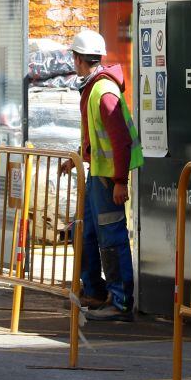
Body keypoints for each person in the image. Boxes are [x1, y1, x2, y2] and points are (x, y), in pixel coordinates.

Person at [60, 30, 143, 321]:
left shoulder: (103, 91)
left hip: (108, 180)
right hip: (98, 175)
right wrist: (77, 158)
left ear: (79, 58)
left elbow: (120, 140)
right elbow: (97, 137)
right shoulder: (94, 88)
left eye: (74, 57)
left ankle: (121, 302)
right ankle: (95, 291)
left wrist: (120, 181)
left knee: (112, 240)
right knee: (85, 232)